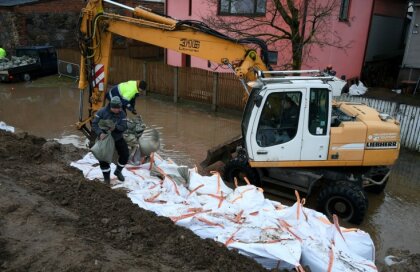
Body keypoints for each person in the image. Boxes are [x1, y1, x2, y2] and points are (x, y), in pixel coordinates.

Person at [92, 96, 129, 185]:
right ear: (111, 107)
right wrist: (100, 133)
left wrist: (116, 127)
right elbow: (94, 124)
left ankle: (118, 171)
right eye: (116, 108)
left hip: (117, 137)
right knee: (103, 157)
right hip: (104, 137)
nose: (118, 110)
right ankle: (106, 179)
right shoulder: (102, 112)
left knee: (125, 154)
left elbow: (124, 126)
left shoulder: (122, 113)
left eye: (119, 108)